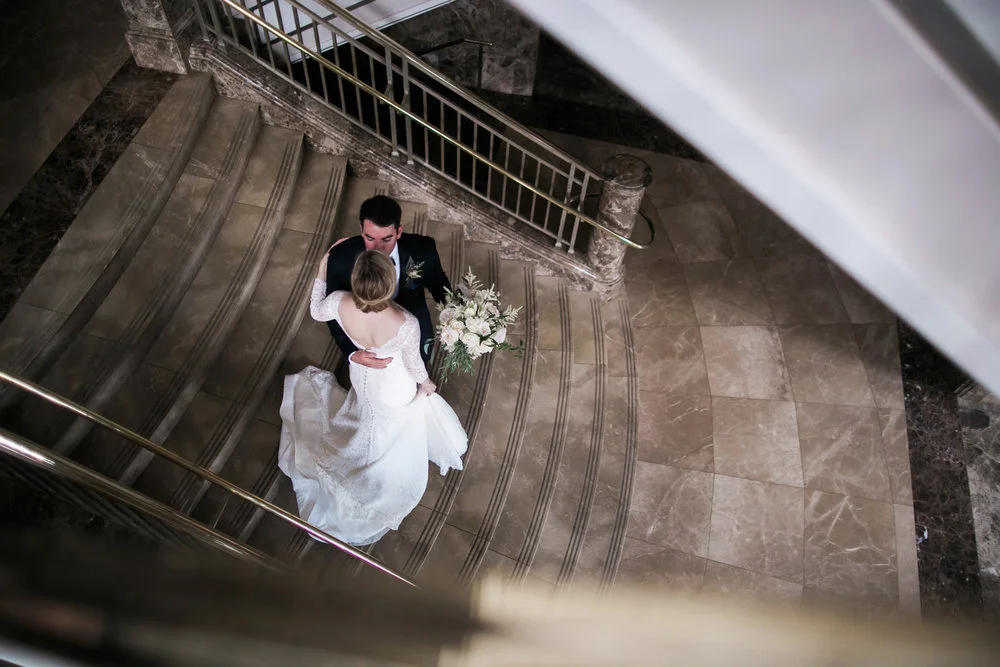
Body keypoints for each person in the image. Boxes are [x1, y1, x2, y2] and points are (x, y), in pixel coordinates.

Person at [278, 250, 468, 546]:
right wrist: (426, 383)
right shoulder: (405, 323)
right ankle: (379, 462)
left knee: (368, 412)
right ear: (389, 283)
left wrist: (321, 268)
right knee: (389, 425)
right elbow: (414, 364)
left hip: (363, 375)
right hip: (392, 383)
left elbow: (316, 310)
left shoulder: (339, 301)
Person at [324, 195, 450, 367]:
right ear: (361, 229)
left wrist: (459, 319)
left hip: (413, 321)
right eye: (370, 238)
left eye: (386, 239)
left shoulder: (423, 249)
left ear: (398, 232)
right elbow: (331, 310)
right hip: (366, 330)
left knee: (421, 360)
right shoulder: (341, 258)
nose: (378, 249)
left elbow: (439, 286)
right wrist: (351, 353)